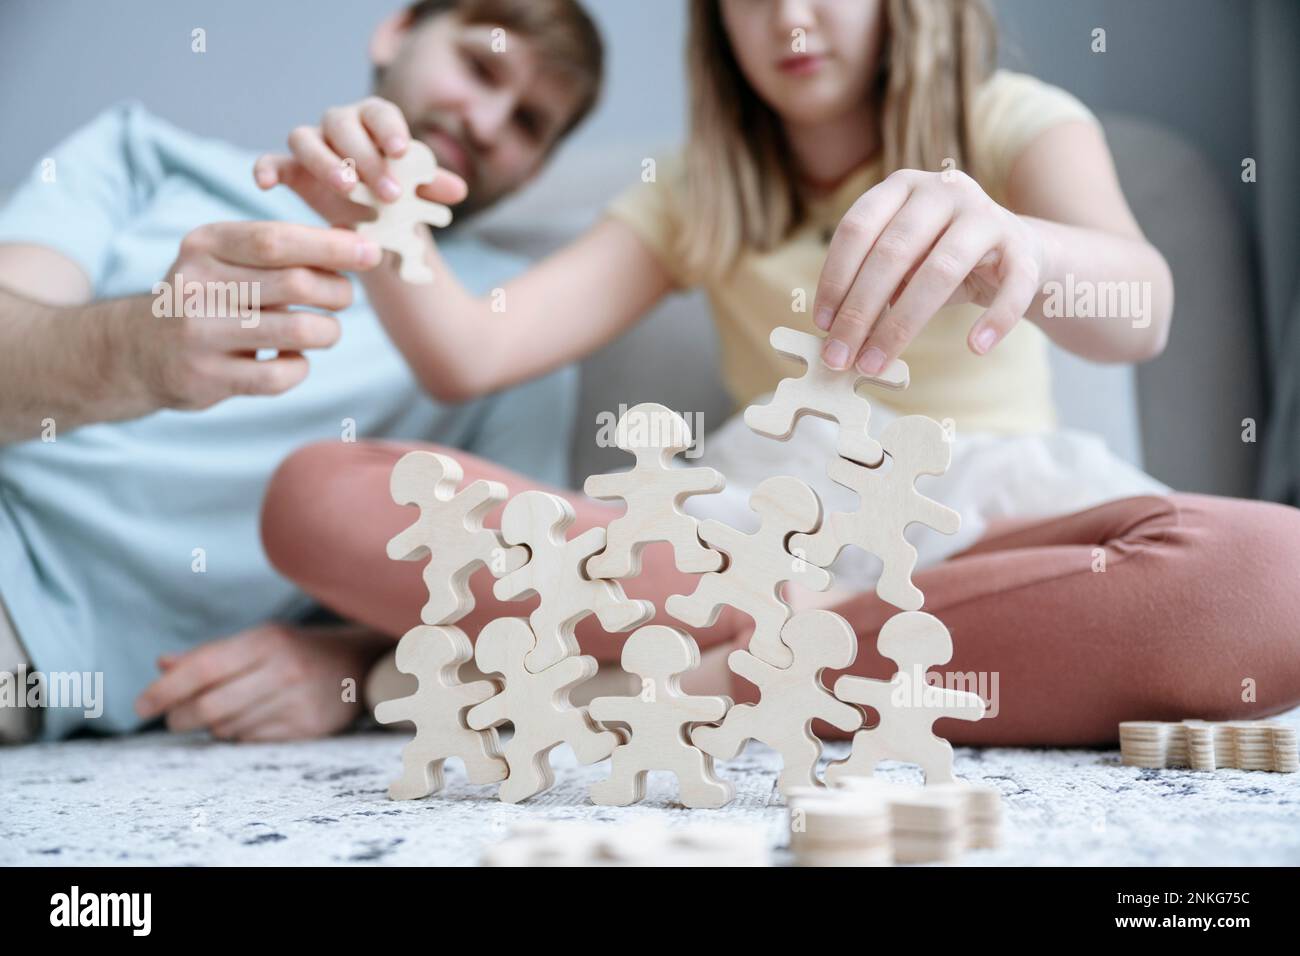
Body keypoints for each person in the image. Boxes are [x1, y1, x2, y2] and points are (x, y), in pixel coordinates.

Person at [263, 0, 1300, 747]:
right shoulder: (693, 189)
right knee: (318, 492)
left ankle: (689, 681)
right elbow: (470, 350)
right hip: (750, 545)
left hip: (987, 532)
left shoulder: (1010, 118)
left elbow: (1139, 315)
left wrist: (1015, 243)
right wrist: (382, 221)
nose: (790, 20)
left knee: (1273, 575)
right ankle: (805, 655)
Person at [0, 0, 605, 743]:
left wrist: (350, 663)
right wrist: (133, 349)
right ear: (397, 32)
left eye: (529, 124)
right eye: (480, 67)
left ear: (540, 168)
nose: (486, 122)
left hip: (36, 638)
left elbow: (512, 596)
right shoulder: (138, 156)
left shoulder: (514, 327)